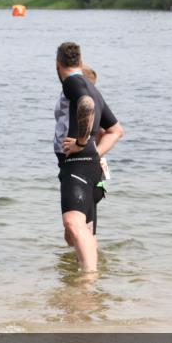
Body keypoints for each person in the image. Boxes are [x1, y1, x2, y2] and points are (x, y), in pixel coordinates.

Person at [53, 42, 124, 272]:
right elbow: (116, 130)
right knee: (77, 233)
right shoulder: (94, 88)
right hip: (90, 168)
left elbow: (86, 104)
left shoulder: (73, 82)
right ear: (81, 62)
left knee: (73, 224)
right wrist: (93, 152)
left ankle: (87, 281)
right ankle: (89, 283)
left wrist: (82, 144)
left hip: (77, 166)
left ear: (57, 64)